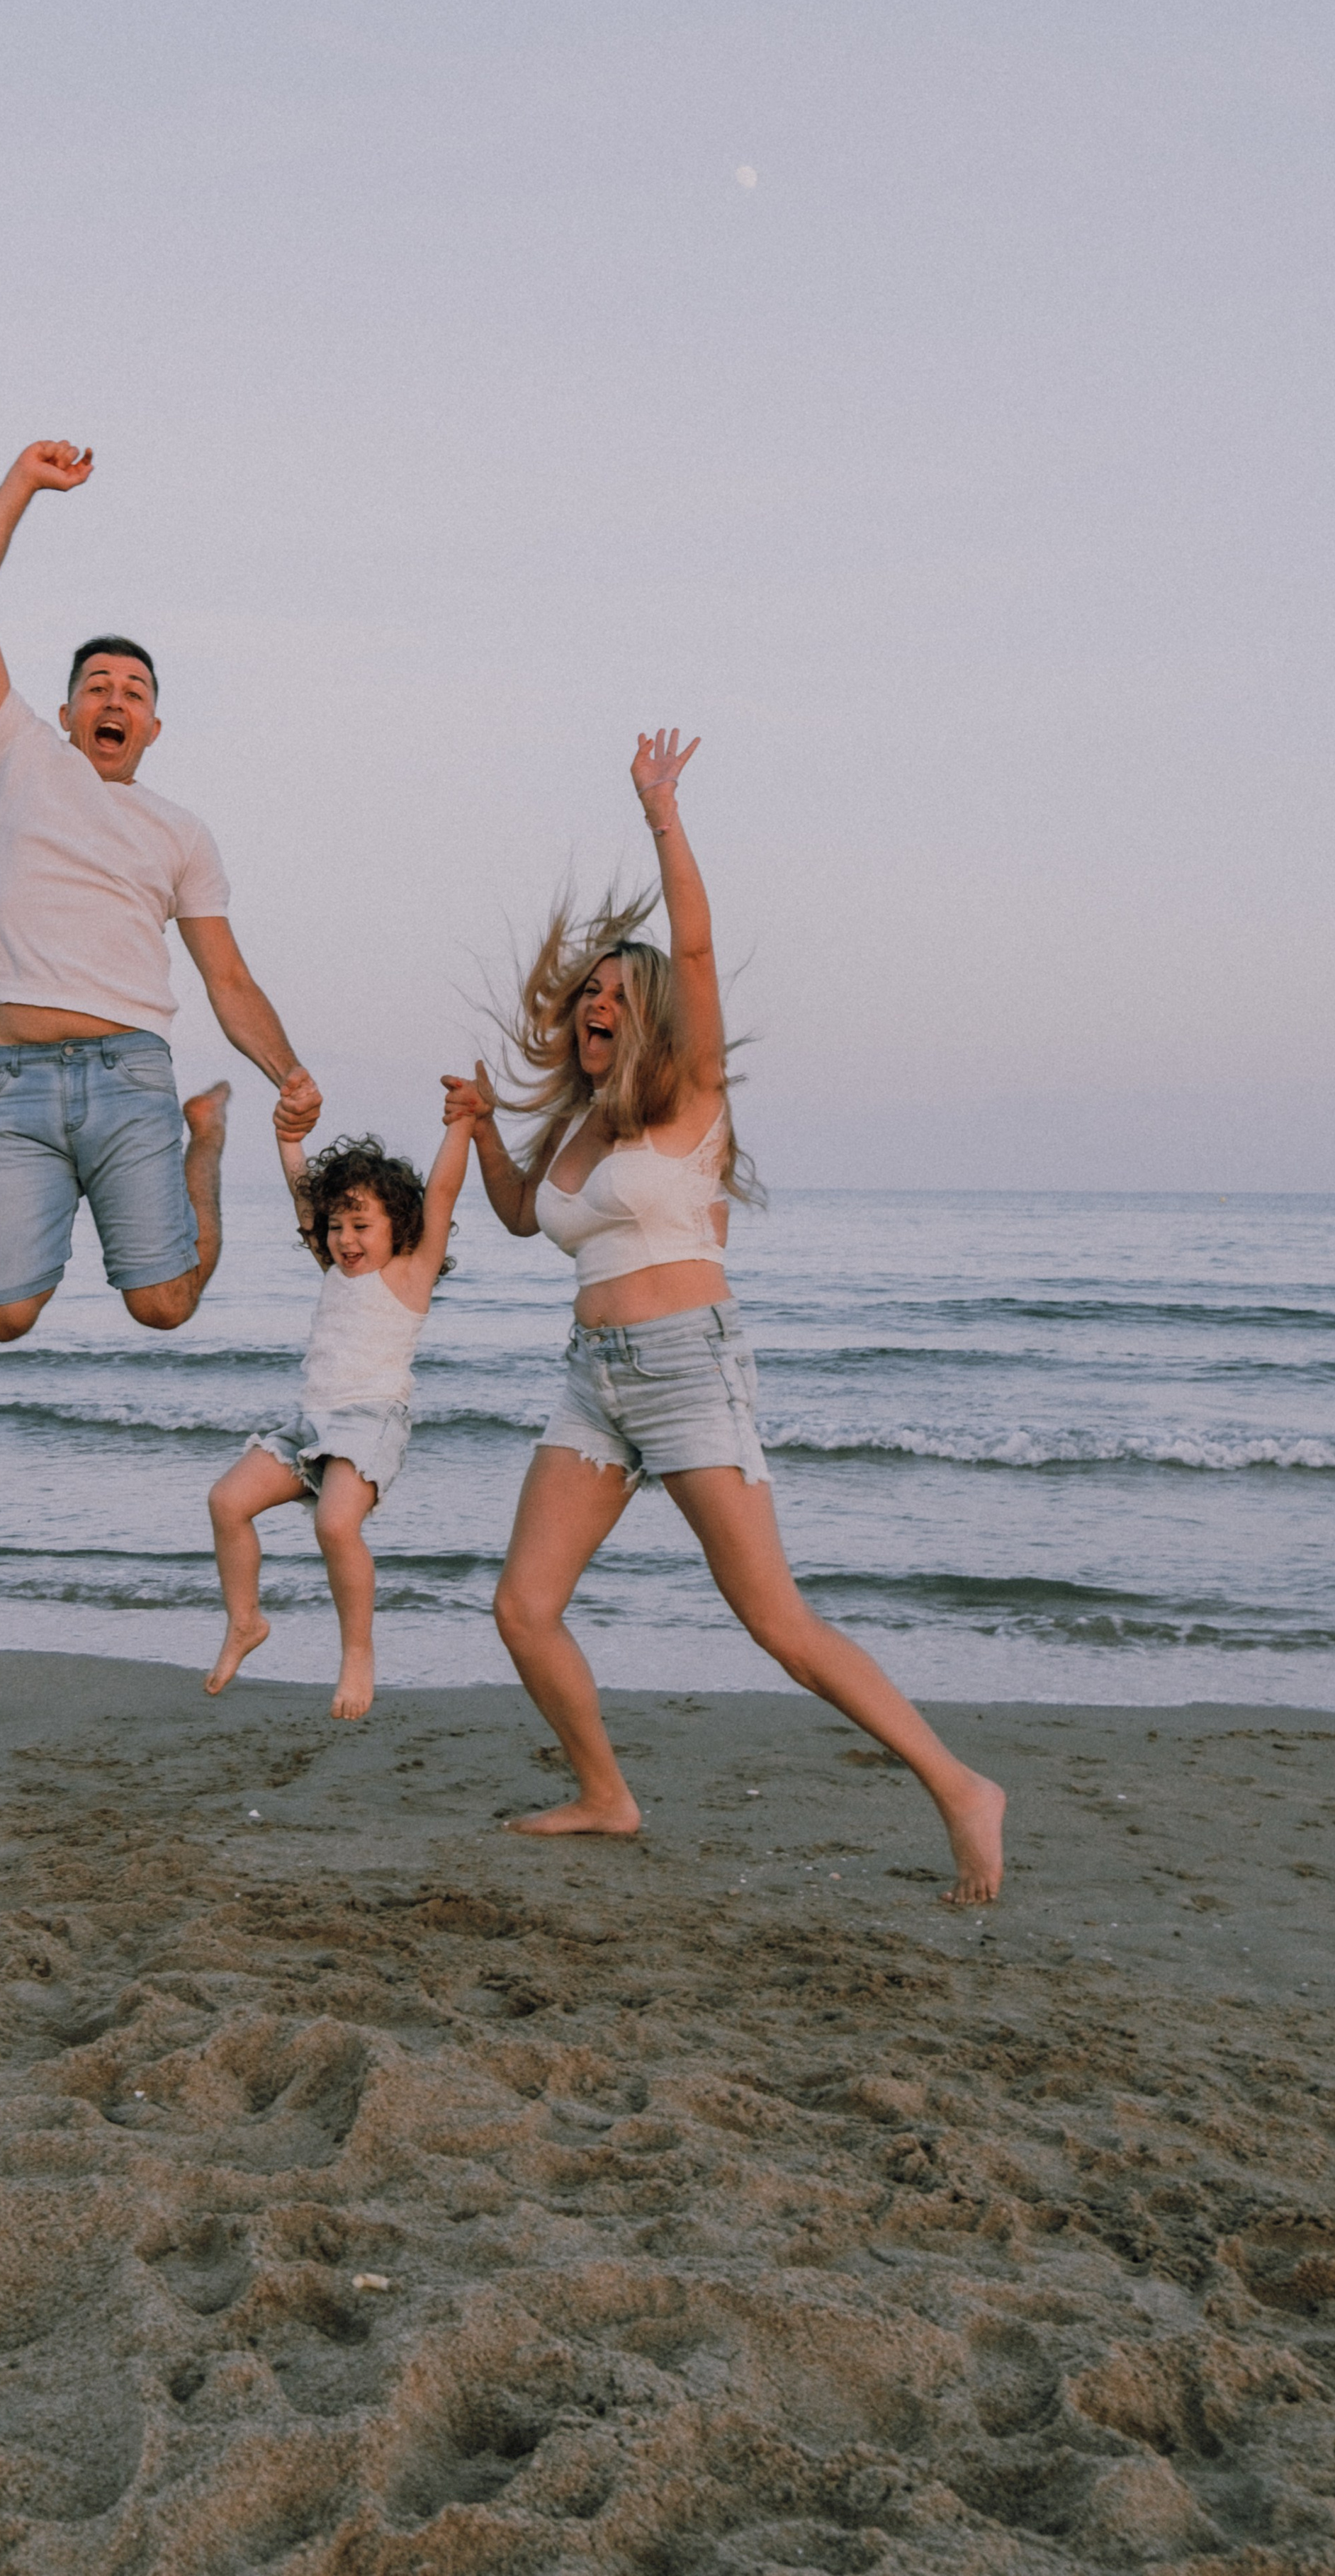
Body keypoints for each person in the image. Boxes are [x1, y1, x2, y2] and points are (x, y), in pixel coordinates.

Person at [441, 729, 1006, 1903]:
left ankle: (961, 1788)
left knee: (776, 1623)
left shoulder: (691, 1099)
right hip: (591, 1377)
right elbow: (513, 1216)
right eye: (589, 992)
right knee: (523, 1607)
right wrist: (486, 1126)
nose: (598, 1003)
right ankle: (606, 1795)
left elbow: (692, 943)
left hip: (691, 1366)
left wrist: (661, 815)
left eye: (618, 994)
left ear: (651, 1019)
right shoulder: (578, 1129)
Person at [0, 439, 320, 1343]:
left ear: (151, 724)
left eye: (134, 690)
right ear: (66, 714)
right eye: (96, 686)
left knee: (165, 1307)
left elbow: (228, 979)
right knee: (2, 1318)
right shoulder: (14, 754)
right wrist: (26, 482)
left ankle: (205, 1142)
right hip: (8, 1081)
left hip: (128, 1075)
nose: (115, 698)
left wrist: (287, 1074)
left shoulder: (180, 831)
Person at [205, 1097, 477, 1720]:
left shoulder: (410, 1273)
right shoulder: (334, 1268)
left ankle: (358, 1655)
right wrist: (287, 1139)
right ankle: (245, 1623)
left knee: (334, 1526)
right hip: (310, 1423)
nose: (345, 1239)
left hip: (370, 1420)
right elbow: (305, 1196)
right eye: (336, 1227)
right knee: (227, 1502)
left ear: (398, 1226)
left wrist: (461, 1123)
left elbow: (441, 1192)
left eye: (362, 1225)